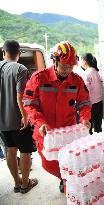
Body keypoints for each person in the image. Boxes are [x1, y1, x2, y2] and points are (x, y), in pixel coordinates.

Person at [23, 41, 91, 193]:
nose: (67, 70)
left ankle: (68, 183)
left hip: (68, 131)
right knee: (49, 163)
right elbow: (29, 103)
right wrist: (40, 122)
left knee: (71, 162)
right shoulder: (39, 78)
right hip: (45, 132)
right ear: (55, 61)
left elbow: (84, 102)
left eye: (70, 66)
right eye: (64, 66)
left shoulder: (76, 81)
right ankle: (63, 177)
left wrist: (85, 117)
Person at [0, 40, 37, 194]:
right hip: (17, 120)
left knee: (10, 150)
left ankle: (17, 183)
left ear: (4, 52)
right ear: (19, 54)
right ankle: (25, 184)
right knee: (25, 151)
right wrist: (25, 116)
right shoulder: (20, 68)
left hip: (1, 121)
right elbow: (20, 95)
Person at [81, 53, 104, 134]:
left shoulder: (86, 72)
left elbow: (86, 90)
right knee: (98, 128)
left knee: (88, 129)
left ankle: (91, 145)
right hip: (99, 103)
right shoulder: (95, 71)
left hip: (91, 104)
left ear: (84, 61)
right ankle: (101, 144)